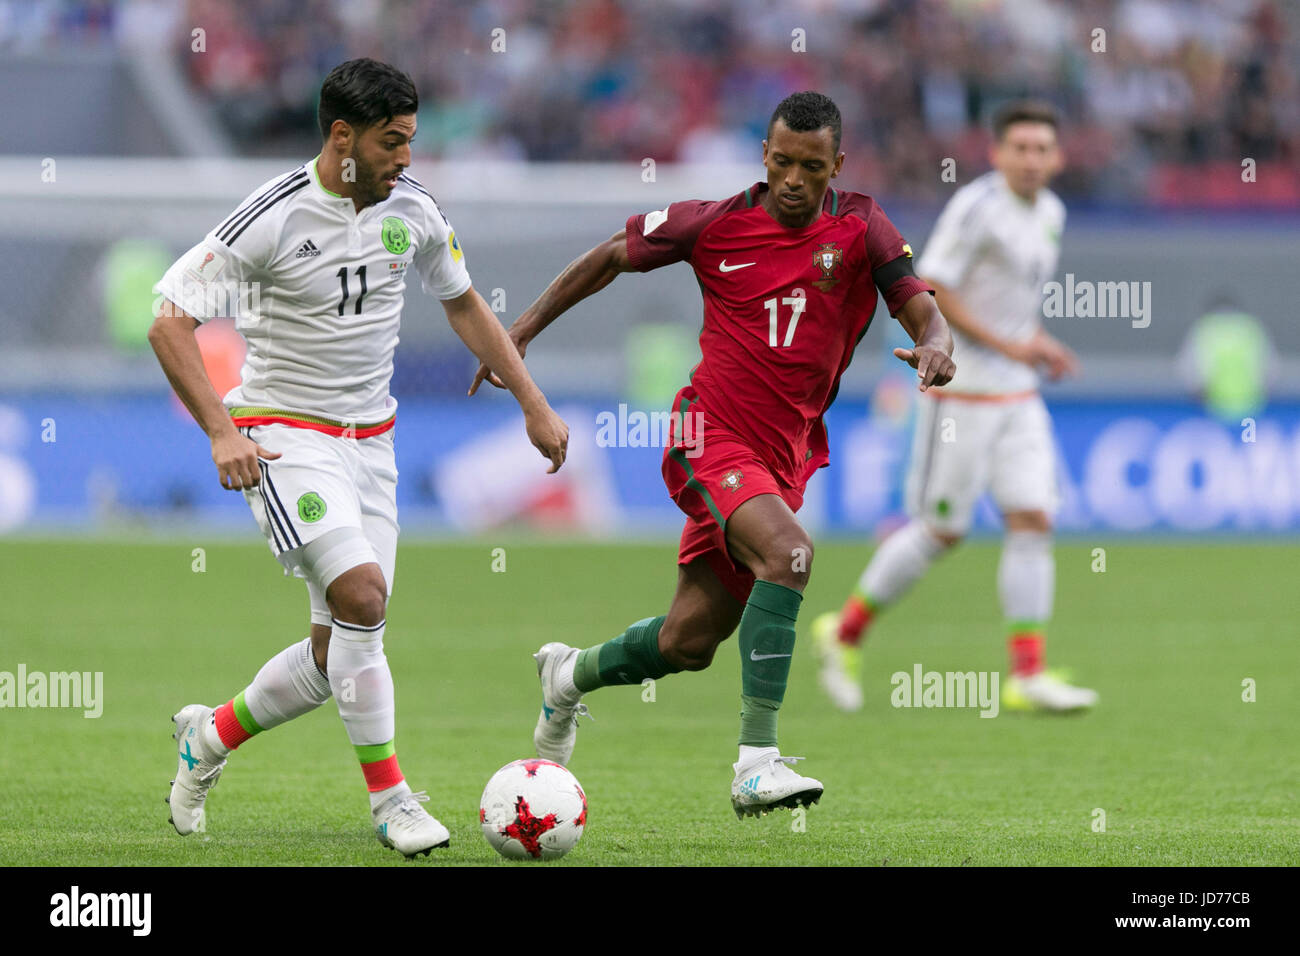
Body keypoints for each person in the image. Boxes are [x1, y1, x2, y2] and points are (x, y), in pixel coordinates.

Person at [470, 91, 955, 817]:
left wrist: (939, 345)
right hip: (709, 434)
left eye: (812, 167)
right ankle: (756, 763)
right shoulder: (713, 223)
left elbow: (917, 302)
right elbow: (610, 254)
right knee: (790, 554)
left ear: (837, 165)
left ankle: (567, 676)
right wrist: (522, 333)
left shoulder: (861, 226)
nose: (795, 178)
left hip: (781, 458)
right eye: (783, 161)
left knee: (686, 643)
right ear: (765, 155)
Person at [148, 58, 568, 857]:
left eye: (411, 141)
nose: (406, 158)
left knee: (333, 650)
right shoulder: (270, 217)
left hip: (371, 444)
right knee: (364, 600)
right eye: (392, 142)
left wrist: (532, 401)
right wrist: (220, 431)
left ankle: (207, 737)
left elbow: (465, 302)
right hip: (282, 436)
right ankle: (393, 802)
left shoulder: (410, 209)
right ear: (342, 137)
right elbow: (169, 320)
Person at [811, 100, 1097, 714]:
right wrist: (1009, 344)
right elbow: (934, 287)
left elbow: (1009, 303)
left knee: (1033, 519)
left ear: (1057, 157)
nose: (1030, 159)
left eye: (1041, 149)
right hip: (962, 394)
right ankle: (845, 632)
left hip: (1019, 396)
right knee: (942, 532)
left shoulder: (1050, 211)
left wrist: (1035, 342)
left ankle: (1026, 674)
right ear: (995, 153)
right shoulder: (977, 208)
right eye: (1018, 147)